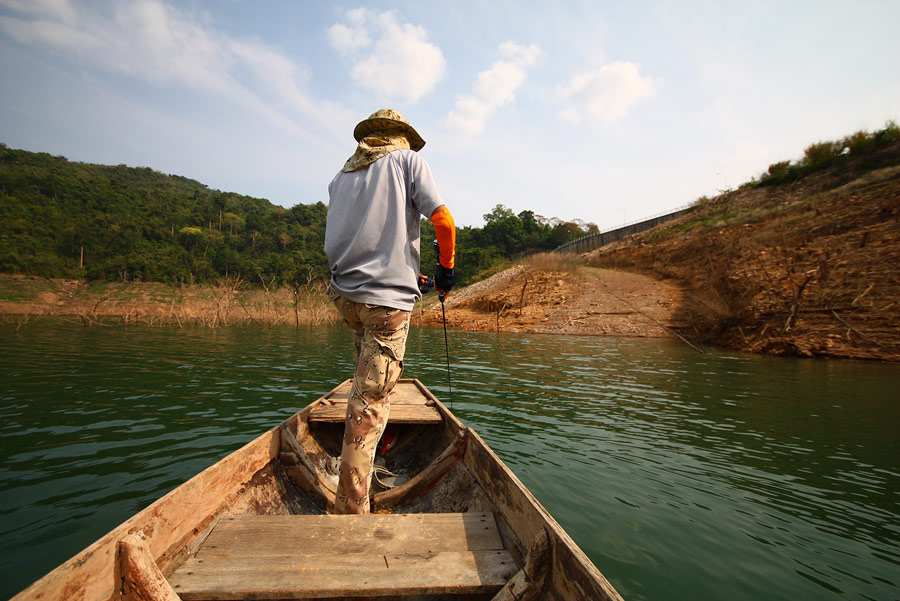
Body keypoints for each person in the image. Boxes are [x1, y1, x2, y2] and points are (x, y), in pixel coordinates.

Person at [324, 108, 456, 515]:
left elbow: (363, 235)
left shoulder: (341, 177)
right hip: (385, 304)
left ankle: (364, 456)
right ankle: (350, 507)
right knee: (370, 402)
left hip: (345, 296)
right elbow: (444, 222)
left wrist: (407, 274)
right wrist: (445, 272)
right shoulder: (408, 161)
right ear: (400, 138)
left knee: (366, 385)